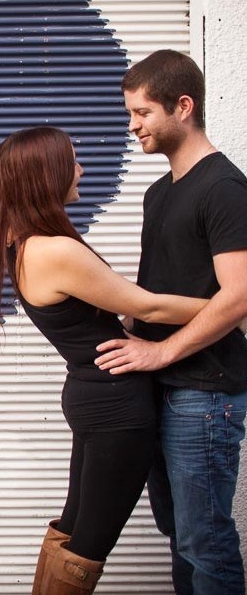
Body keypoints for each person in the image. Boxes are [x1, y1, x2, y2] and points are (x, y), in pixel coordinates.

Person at [0, 125, 208, 595]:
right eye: (72, 161)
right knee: (88, 544)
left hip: (94, 398)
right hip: (115, 408)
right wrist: (232, 308)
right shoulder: (56, 250)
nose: (81, 168)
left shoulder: (19, 241)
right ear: (48, 175)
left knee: (73, 525)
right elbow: (146, 306)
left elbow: (111, 312)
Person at [95, 49, 247, 595]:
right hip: (163, 390)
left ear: (183, 107)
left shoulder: (223, 188)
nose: (133, 126)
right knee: (180, 534)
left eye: (142, 113)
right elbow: (159, 290)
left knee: (204, 542)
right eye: (130, 114)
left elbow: (241, 295)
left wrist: (160, 351)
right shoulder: (160, 193)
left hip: (204, 393)